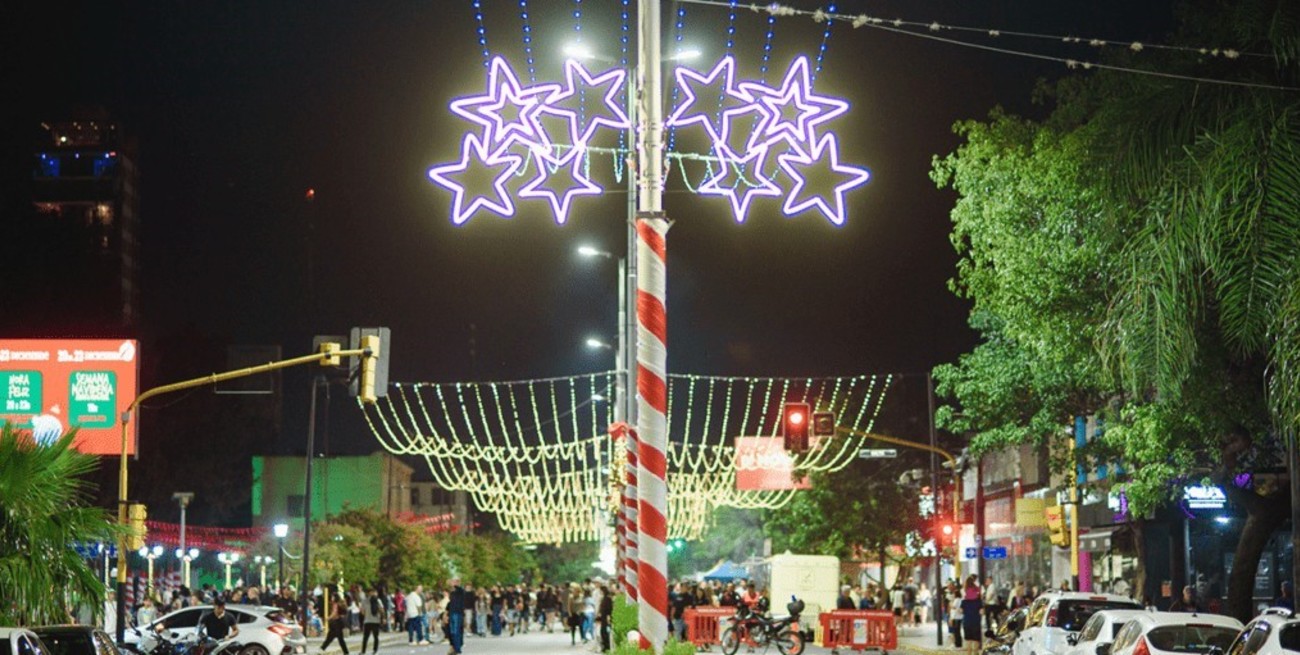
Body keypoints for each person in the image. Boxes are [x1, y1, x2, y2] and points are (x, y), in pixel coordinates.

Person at [961, 575, 983, 655]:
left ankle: (969, 653)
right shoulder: (978, 599)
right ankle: (975, 653)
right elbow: (981, 611)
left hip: (967, 621)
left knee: (968, 640)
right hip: (976, 621)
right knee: (976, 639)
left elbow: (961, 611)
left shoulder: (964, 601)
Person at [446, 577, 468, 655]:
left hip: (458, 613)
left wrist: (453, 584)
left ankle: (457, 648)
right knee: (452, 631)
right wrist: (447, 613)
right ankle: (454, 646)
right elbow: (450, 603)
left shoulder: (461, 591)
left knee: (456, 630)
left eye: (454, 582)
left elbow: (457, 588)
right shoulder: (453, 593)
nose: (452, 584)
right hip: (452, 613)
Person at [361, 590, 384, 654]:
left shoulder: (364, 601)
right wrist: (381, 617)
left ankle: (363, 651)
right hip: (376, 621)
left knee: (365, 637)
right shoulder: (378, 600)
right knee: (376, 637)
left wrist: (367, 614)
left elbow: (362, 612)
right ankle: (375, 650)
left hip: (367, 621)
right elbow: (382, 610)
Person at [598, 584, 614, 653]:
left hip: (606, 617)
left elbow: (609, 608)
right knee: (603, 631)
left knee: (605, 632)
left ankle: (607, 646)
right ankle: (605, 645)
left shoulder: (607, 598)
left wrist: (608, 616)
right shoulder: (604, 598)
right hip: (603, 617)